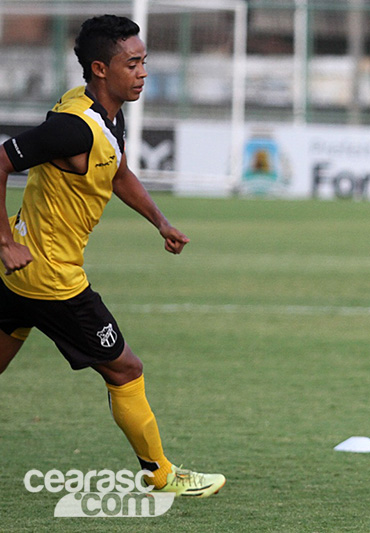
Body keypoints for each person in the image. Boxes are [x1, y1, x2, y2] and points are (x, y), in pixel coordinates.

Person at [0, 15, 225, 498]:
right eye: (133, 63)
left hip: (20, 274)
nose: (143, 72)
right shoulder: (73, 128)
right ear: (101, 69)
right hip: (51, 279)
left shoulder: (103, 113)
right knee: (126, 369)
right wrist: (4, 241)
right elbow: (0, 161)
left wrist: (160, 221)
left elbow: (117, 171)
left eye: (144, 61)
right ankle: (161, 476)